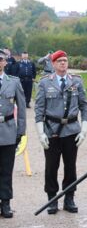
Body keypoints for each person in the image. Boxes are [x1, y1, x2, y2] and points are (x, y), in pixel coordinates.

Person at [34, 50, 87, 215]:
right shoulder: (44, 83)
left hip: (72, 130)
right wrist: (40, 133)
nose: (63, 63)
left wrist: (84, 129)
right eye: (59, 61)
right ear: (53, 63)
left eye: (65, 60)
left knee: (70, 166)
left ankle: (69, 197)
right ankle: (52, 199)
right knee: (51, 167)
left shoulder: (77, 81)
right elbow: (39, 110)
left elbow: (84, 106)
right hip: (52, 130)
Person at [0, 49, 26, 218]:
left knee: (6, 170)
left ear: (5, 62)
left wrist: (21, 132)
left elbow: (22, 108)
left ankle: (6, 203)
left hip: (8, 130)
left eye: (1, 60)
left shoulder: (14, 82)